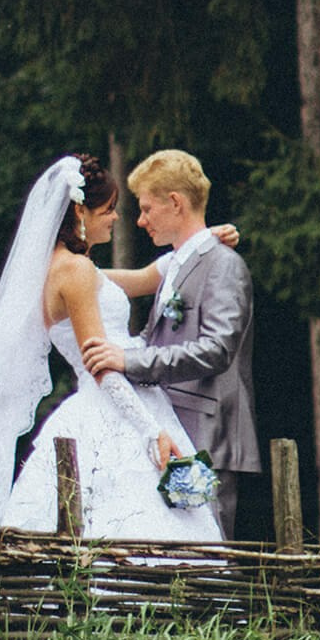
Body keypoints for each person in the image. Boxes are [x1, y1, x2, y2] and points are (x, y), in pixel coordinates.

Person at [0, 155, 224, 542]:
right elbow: (99, 365)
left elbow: (145, 278)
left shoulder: (59, 270)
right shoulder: (76, 271)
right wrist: (149, 429)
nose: (116, 218)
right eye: (107, 210)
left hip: (120, 393)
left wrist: (204, 241)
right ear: (78, 211)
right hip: (115, 400)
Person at [83, 149, 258, 538]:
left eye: (146, 208)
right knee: (178, 545)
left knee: (207, 547)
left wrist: (129, 360)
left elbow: (217, 349)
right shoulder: (178, 264)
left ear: (175, 203)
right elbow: (155, 334)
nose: (141, 220)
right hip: (176, 422)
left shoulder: (224, 266)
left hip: (207, 428)